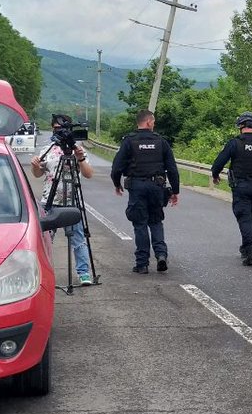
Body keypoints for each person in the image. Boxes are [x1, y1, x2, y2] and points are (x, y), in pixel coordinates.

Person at [110, 110, 180, 274]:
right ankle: (161, 254)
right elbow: (172, 169)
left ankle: (142, 264)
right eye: (153, 122)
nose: (154, 124)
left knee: (140, 224)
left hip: (137, 187)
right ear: (149, 122)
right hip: (157, 187)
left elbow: (116, 167)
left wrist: (116, 183)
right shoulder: (161, 142)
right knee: (156, 221)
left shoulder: (129, 141)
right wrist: (175, 191)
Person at [31, 114, 95, 285]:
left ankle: (84, 273)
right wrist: (35, 166)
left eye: (60, 129)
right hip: (49, 200)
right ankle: (43, 272)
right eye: (55, 128)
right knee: (45, 240)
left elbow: (88, 174)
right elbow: (37, 174)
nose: (57, 132)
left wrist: (80, 157)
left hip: (71, 201)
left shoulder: (77, 150)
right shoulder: (48, 149)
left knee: (78, 239)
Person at [211, 112, 252, 266]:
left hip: (241, 186)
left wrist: (215, 175)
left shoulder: (235, 143)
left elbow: (218, 163)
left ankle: (250, 251)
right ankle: (247, 247)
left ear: (241, 126)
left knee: (244, 217)